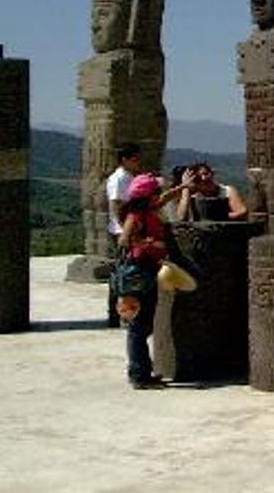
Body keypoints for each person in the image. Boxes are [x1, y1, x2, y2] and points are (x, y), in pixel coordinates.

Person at [117, 173, 184, 389]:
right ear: (147, 196)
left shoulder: (149, 209)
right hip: (138, 273)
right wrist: (150, 244)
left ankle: (142, 372)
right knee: (138, 326)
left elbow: (165, 197)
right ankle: (139, 375)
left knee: (143, 325)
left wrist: (184, 186)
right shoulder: (136, 215)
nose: (159, 195)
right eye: (155, 191)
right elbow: (124, 239)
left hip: (146, 271)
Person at [104, 143, 143, 327]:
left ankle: (124, 314)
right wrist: (124, 231)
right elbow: (116, 204)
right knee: (123, 275)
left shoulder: (128, 177)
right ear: (124, 160)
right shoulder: (119, 178)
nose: (138, 162)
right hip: (122, 232)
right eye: (134, 159)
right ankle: (119, 315)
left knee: (126, 274)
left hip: (127, 230)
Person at [175, 161, 248, 221]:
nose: (204, 178)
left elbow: (242, 212)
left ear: (212, 174)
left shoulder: (227, 191)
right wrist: (186, 188)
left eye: (206, 174)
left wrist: (219, 216)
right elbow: (181, 218)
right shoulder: (192, 196)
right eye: (199, 178)